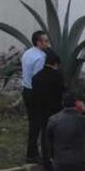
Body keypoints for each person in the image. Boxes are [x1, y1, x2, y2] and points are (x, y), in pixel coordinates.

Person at [31, 49, 65, 171]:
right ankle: (56, 163)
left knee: (45, 138)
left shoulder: (36, 77)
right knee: (56, 139)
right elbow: (62, 92)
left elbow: (34, 96)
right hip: (55, 111)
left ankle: (47, 166)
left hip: (41, 112)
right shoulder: (58, 76)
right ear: (55, 63)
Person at [21, 30, 50, 163]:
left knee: (32, 122)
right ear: (38, 42)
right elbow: (38, 78)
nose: (48, 43)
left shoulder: (27, 53)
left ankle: (31, 152)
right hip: (35, 93)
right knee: (37, 124)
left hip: (26, 90)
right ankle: (32, 154)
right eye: (45, 41)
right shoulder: (41, 57)